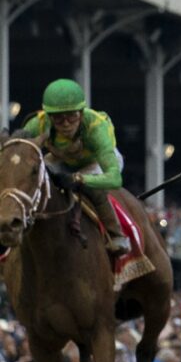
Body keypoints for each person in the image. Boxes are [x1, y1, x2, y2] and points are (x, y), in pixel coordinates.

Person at [20, 78, 131, 254]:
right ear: (48, 116)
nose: (65, 123)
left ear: (81, 112)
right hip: (62, 159)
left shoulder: (96, 127)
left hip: (96, 162)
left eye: (72, 116)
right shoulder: (37, 124)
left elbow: (115, 179)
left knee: (93, 189)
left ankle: (117, 235)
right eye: (58, 118)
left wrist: (78, 179)